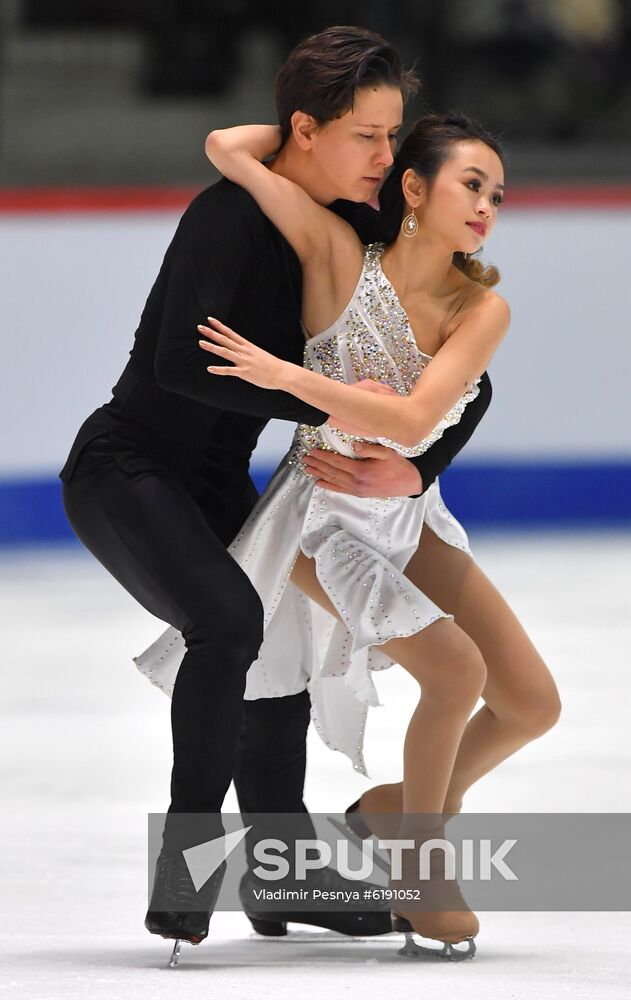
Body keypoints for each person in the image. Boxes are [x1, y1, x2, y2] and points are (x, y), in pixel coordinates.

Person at [59, 26, 493, 948]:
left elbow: (465, 379)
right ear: (304, 127)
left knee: (280, 651)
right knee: (229, 622)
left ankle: (278, 874)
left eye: (394, 136)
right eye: (368, 137)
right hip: (127, 468)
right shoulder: (224, 219)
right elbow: (178, 365)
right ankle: (187, 871)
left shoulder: (362, 227)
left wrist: (420, 464)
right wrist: (317, 401)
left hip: (221, 481)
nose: (388, 157)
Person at [136, 110, 561, 955]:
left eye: (498, 195)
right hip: (320, 516)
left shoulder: (482, 309)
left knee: (530, 704)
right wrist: (344, 127)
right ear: (413, 188)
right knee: (456, 672)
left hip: (406, 515)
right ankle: (419, 861)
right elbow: (226, 148)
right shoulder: (336, 255)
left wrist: (285, 376)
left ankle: (395, 811)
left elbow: (416, 415)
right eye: (470, 184)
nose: (487, 206)